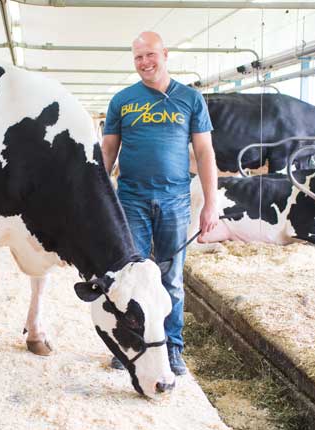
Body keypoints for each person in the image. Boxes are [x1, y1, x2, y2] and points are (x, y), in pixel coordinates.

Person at [102, 32, 218, 375]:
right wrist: (98, 196)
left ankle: (172, 347)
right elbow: (108, 151)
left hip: (175, 200)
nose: (144, 63)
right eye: (138, 57)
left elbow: (204, 152)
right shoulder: (122, 100)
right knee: (130, 277)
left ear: (165, 54)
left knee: (172, 279)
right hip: (131, 200)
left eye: (150, 55)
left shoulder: (190, 99)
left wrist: (211, 203)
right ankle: (129, 344)